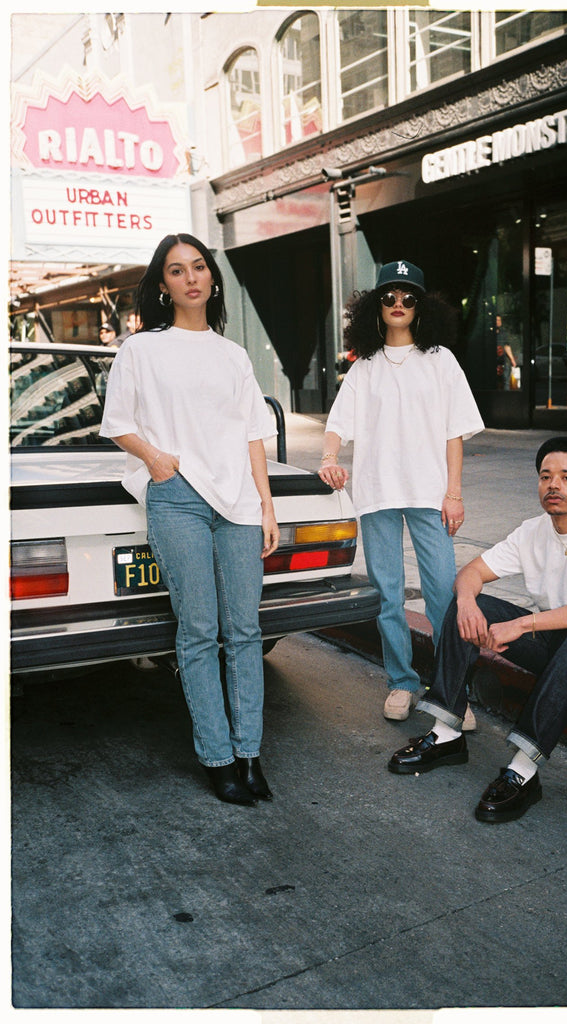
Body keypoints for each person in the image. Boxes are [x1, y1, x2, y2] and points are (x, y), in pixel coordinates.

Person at [388, 436, 567, 822]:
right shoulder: (533, 531)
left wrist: (523, 624)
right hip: (560, 646)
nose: (553, 485)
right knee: (470, 602)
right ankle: (447, 735)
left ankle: (522, 772)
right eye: (546, 476)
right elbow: (472, 572)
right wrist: (466, 603)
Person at [100, 233, 280, 807]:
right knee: (199, 631)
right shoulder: (142, 350)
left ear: (212, 277)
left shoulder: (233, 354)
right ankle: (218, 757)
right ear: (163, 285)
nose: (192, 278)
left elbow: (254, 432)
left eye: (199, 267)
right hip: (176, 497)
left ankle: (250, 752)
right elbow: (117, 422)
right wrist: (156, 460)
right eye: (177, 271)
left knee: (245, 631)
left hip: (239, 504)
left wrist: (266, 503)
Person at [319, 260, 484, 723]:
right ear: (376, 306)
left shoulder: (441, 361)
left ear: (422, 307)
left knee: (441, 596)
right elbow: (337, 426)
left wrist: (454, 492)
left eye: (408, 298)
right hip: (376, 493)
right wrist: (329, 460)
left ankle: (453, 690)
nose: (398, 304)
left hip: (430, 493)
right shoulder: (365, 367)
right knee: (387, 593)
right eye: (389, 296)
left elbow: (455, 433)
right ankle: (401, 682)